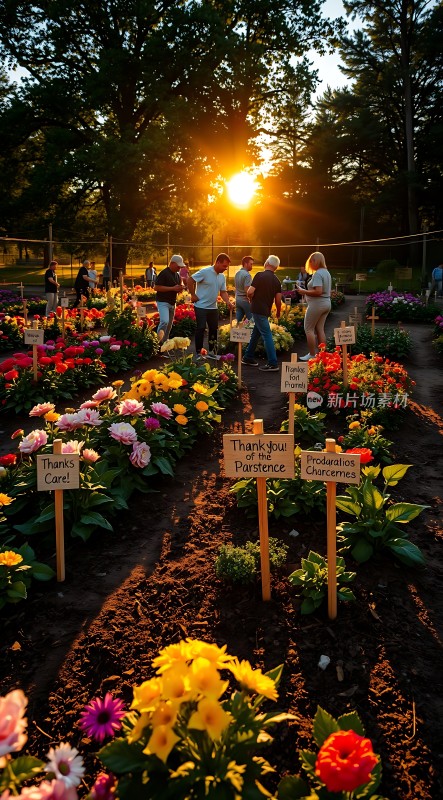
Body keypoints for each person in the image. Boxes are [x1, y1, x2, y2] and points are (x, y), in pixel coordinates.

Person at [187, 252, 234, 358]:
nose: (225, 268)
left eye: (227, 266)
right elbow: (190, 280)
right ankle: (199, 352)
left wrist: (228, 302)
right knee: (201, 328)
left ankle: (212, 352)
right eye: (224, 266)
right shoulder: (205, 272)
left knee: (213, 328)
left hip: (213, 307)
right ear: (217, 262)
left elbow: (223, 292)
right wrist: (193, 294)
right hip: (201, 306)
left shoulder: (222, 277)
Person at [242, 255, 282, 372]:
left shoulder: (260, 275)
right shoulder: (277, 281)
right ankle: (248, 357)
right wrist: (278, 312)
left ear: (267, 263)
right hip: (265, 310)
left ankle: (272, 363)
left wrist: (250, 299)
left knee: (266, 335)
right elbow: (278, 300)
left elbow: (250, 291)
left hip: (256, 309)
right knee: (257, 333)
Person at [296, 251, 331, 360]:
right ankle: (322, 354)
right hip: (326, 303)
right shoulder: (326, 272)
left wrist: (304, 291)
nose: (310, 264)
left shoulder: (318, 274)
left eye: (311, 261)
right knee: (320, 329)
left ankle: (312, 354)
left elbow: (318, 291)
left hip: (317, 304)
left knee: (308, 329)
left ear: (316, 261)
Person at [155, 255, 185, 353]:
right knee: (164, 321)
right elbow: (157, 287)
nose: (179, 268)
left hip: (172, 303)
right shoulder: (164, 273)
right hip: (163, 302)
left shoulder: (176, 274)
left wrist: (180, 288)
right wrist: (173, 288)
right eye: (178, 266)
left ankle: (164, 345)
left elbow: (177, 286)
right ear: (172, 263)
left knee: (169, 326)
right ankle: (157, 344)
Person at [234, 255, 254, 323]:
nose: (252, 266)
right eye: (251, 264)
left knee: (238, 321)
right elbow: (247, 291)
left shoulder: (237, 273)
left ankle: (235, 333)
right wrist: (251, 300)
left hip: (238, 300)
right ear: (245, 264)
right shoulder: (247, 275)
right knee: (252, 321)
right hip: (245, 300)